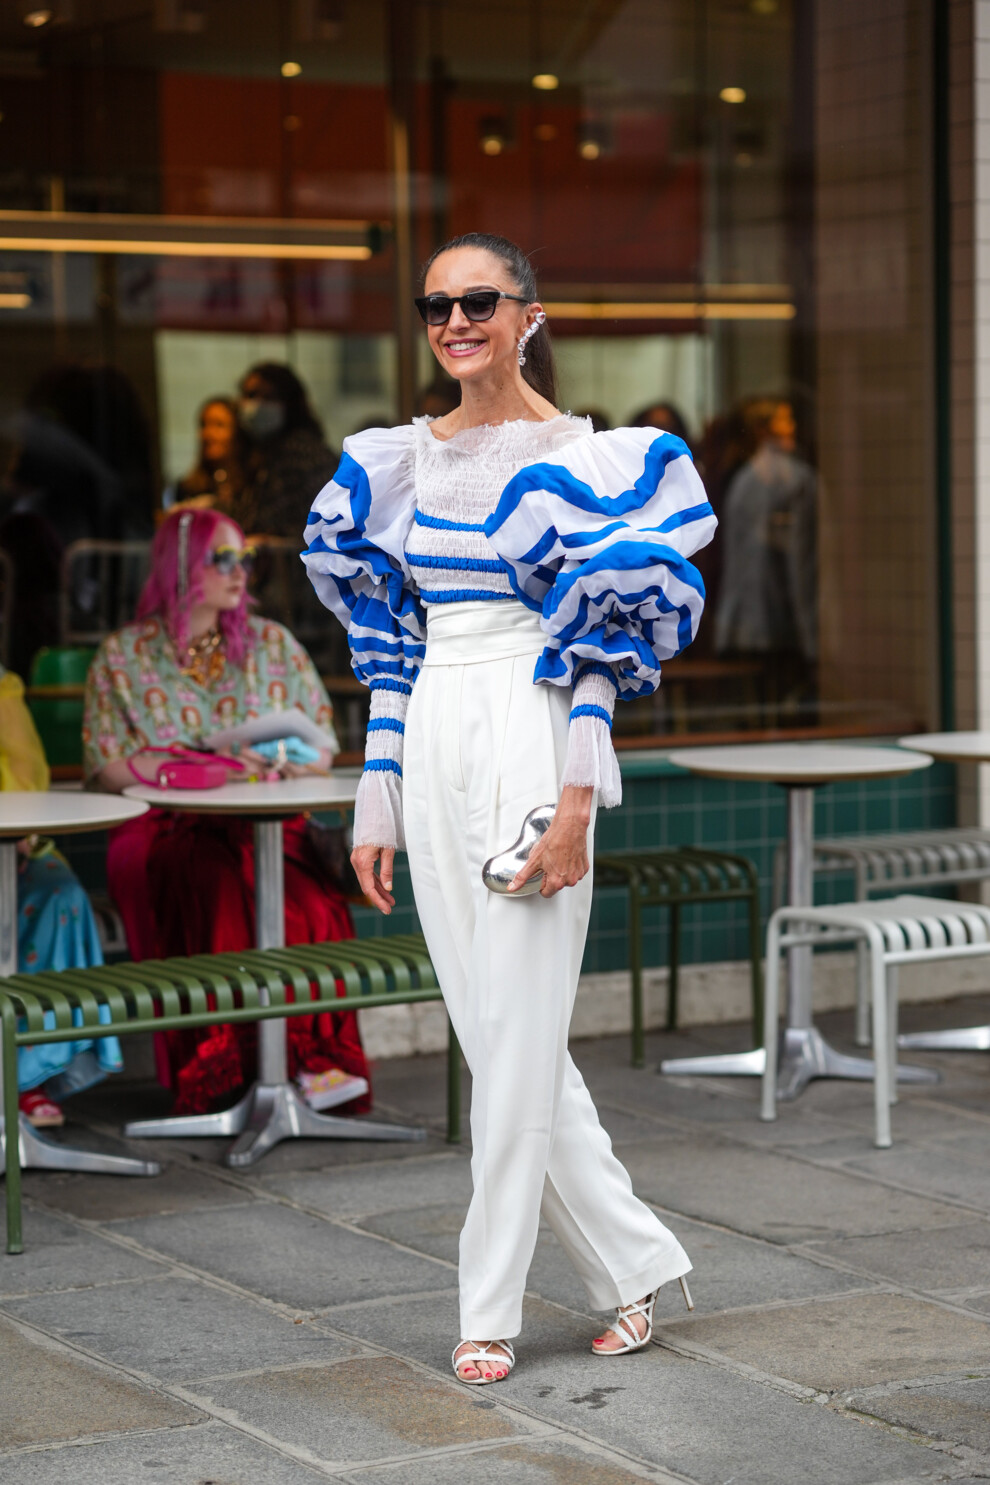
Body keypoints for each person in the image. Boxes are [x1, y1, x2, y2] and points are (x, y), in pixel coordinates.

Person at [303, 232, 715, 1384]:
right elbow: (391, 647)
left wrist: (578, 796)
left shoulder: (596, 459)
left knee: (520, 1035)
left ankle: (485, 1308)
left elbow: (602, 648)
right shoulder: (396, 462)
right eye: (436, 305)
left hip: (537, 727)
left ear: (530, 314)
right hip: (436, 723)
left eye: (478, 300)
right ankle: (636, 1266)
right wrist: (376, 792)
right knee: (499, 1039)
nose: (455, 321)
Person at [83, 507, 370, 1118]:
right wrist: (199, 766)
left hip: (267, 822)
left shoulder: (273, 644)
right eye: (223, 559)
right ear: (181, 565)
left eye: (246, 558)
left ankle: (311, 1063)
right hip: (161, 826)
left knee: (311, 900)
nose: (240, 572)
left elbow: (321, 746)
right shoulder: (124, 655)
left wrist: (284, 762)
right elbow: (108, 765)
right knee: (213, 887)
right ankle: (228, 1069)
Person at [0, 661, 124, 1128]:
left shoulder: (2, 687)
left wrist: (19, 832)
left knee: (60, 893)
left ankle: (25, 1077)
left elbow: (26, 770)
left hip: (12, 841)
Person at [713, 396, 817, 714]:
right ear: (763, 431)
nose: (792, 427)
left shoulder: (750, 480)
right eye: (784, 420)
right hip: (774, 616)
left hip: (763, 616)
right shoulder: (781, 479)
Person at [233, 363, 338, 537]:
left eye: (269, 397)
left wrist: (275, 542)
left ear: (290, 403)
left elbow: (329, 522)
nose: (257, 405)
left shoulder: (304, 452)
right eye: (251, 395)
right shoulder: (256, 452)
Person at [162, 396, 245, 516]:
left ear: (237, 431)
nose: (208, 433)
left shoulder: (251, 486)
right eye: (203, 425)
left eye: (219, 425)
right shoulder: (187, 487)